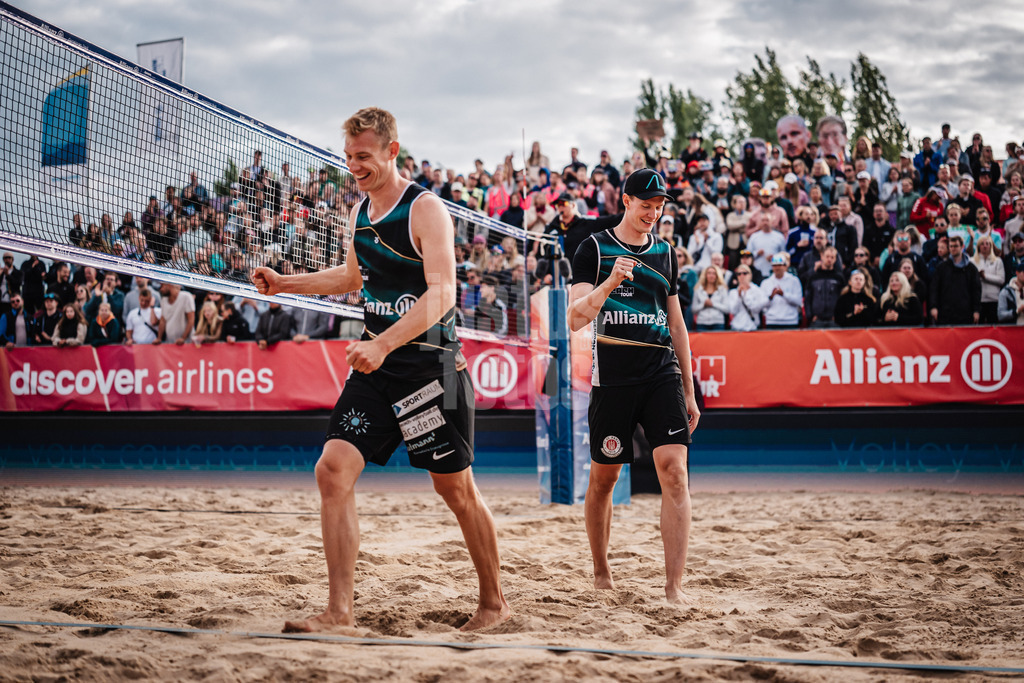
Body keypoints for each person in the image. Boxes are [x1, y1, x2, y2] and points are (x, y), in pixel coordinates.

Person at [251, 107, 509, 632]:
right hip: (378, 366)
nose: (354, 166)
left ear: (392, 150)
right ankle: (339, 613)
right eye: (348, 158)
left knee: (456, 490)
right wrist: (284, 283)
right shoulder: (358, 213)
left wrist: (386, 343)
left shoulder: (425, 209)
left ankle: (494, 604)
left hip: (434, 368)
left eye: (363, 157)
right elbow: (351, 278)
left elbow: (442, 294)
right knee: (332, 470)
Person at [567, 167, 700, 604]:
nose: (654, 213)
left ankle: (673, 587)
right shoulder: (594, 248)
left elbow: (677, 324)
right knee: (604, 478)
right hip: (614, 378)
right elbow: (575, 318)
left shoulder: (665, 252)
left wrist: (690, 390)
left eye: (659, 207)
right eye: (646, 205)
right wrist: (610, 282)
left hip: (662, 371)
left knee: (675, 474)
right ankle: (602, 572)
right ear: (625, 201)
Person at [929, 235, 981, 325]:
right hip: (945, 312)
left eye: (956, 246)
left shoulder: (971, 268)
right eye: (951, 246)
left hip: (965, 312)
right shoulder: (942, 267)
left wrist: (976, 310)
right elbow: (934, 288)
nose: (953, 249)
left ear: (962, 247)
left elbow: (976, 290)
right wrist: (934, 307)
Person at [804, 246, 846, 327]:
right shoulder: (813, 277)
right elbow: (808, 298)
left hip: (834, 320)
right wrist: (810, 316)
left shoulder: (839, 278)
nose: (829, 259)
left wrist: (839, 316)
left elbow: (843, 299)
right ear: (822, 257)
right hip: (816, 320)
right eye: (827, 256)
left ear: (835, 259)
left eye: (832, 257)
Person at [760, 252, 803, 328]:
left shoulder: (794, 280)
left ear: (785, 266)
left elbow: (798, 301)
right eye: (774, 265)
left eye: (779, 265)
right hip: (772, 321)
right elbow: (761, 305)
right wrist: (771, 297)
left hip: (790, 320)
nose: (777, 268)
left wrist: (784, 294)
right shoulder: (766, 283)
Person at [972, 234, 1005, 324]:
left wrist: (985, 277)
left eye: (987, 243)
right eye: (982, 244)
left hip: (994, 299)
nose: (985, 246)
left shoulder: (998, 261)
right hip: (979, 300)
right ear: (978, 246)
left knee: (993, 325)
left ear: (991, 246)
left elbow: (1001, 280)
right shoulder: (972, 261)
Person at [727, 264, 767, 331]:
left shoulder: (757, 290)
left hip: (752, 327)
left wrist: (746, 296)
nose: (742, 276)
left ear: (750, 275)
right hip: (737, 327)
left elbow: (757, 309)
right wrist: (739, 297)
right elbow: (733, 311)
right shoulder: (733, 292)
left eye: (745, 273)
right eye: (739, 274)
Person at [692, 265, 730, 331]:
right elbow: (693, 309)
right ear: (705, 275)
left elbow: (727, 309)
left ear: (717, 275)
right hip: (702, 322)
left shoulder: (722, 289)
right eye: (709, 273)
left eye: (714, 273)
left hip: (718, 322)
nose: (711, 276)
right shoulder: (698, 289)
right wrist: (703, 305)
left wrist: (713, 304)